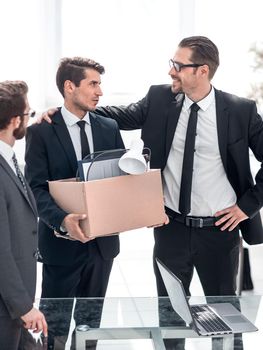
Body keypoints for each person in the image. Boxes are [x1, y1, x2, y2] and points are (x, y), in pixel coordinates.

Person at [25, 57, 124, 349]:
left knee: (90, 329)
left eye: (100, 84)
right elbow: (35, 188)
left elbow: (117, 184)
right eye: (93, 84)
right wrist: (62, 220)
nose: (99, 91)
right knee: (54, 331)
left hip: (102, 246)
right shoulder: (40, 131)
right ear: (70, 86)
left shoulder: (108, 127)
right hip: (60, 247)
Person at [0, 80, 47, 350]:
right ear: (15, 120)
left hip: (15, 306)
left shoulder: (9, 158)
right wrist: (23, 307)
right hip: (7, 307)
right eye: (29, 114)